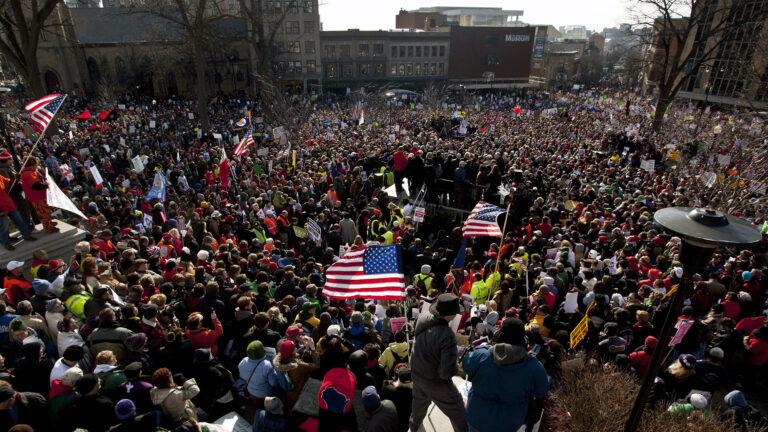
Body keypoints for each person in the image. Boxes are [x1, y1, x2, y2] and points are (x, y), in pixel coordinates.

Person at [462, 318, 550, 432]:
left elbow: (466, 366)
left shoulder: (481, 355)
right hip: (509, 425)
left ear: (499, 334)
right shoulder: (534, 367)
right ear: (523, 339)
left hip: (477, 419)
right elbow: (542, 392)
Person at [409, 293, 468, 432]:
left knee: (418, 408)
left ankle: (413, 428)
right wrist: (457, 367)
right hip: (435, 382)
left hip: (417, 374)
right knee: (458, 411)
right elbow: (445, 373)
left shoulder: (423, 318)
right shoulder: (447, 335)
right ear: (452, 315)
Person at [19, 156, 58, 234]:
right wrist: (45, 185)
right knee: (43, 213)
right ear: (32, 164)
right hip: (37, 198)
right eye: (35, 164)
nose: (36, 166)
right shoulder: (28, 174)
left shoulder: (30, 172)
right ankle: (48, 228)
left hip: (40, 196)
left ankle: (49, 223)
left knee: (46, 211)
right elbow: (35, 185)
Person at [0, 172, 36, 250]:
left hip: (9, 204)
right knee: (4, 227)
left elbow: (9, 182)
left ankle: (26, 235)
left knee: (19, 221)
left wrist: (15, 179)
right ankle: (6, 244)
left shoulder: (0, 177)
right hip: (1, 209)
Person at [238, 340, 279, 407]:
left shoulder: (243, 361)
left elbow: (242, 376)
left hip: (251, 392)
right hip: (266, 394)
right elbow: (274, 383)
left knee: (256, 406)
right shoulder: (267, 365)